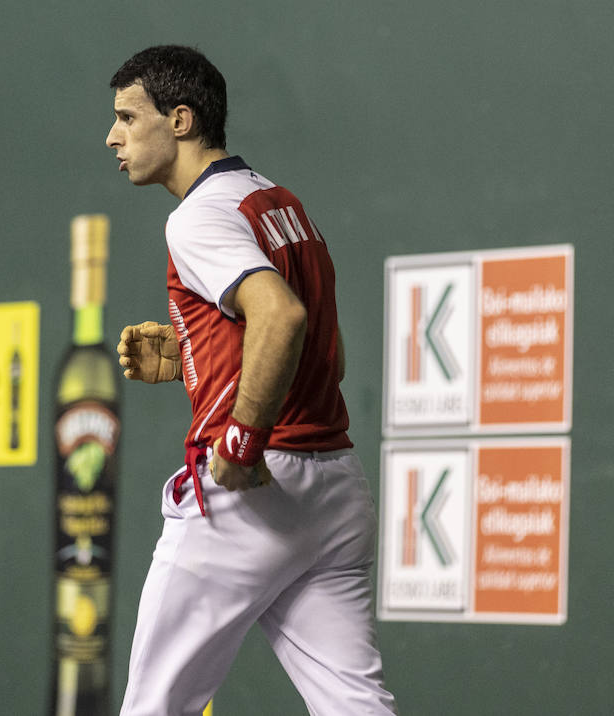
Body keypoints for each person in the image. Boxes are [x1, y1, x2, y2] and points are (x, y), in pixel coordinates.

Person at [105, 45, 398, 716]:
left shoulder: (198, 216)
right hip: (334, 495)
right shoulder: (279, 204)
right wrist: (190, 364)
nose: (113, 137)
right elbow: (326, 356)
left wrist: (240, 440)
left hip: (253, 492)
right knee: (355, 705)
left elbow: (281, 313)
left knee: (154, 707)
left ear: (179, 120)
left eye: (127, 116)